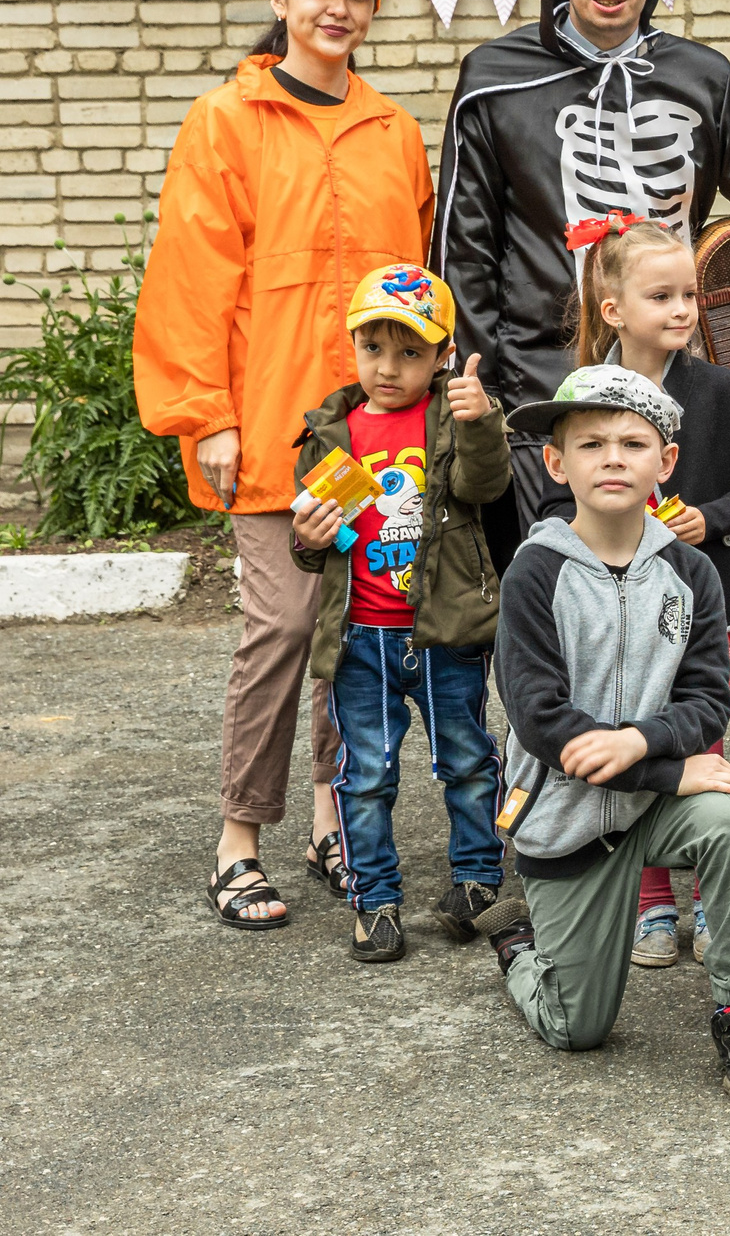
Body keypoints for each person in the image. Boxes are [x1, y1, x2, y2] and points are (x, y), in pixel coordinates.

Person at [136, 0, 428, 932]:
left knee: (350, 633)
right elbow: (189, 273)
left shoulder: (391, 128)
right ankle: (237, 838)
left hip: (364, 435)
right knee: (281, 625)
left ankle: (331, 820)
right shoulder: (226, 119)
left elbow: (413, 287)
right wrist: (202, 415)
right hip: (263, 423)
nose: (338, 7)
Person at [434, 0, 730, 563]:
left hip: (676, 383)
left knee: (678, 579)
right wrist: (480, 380)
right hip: (541, 388)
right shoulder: (494, 78)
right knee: (552, 587)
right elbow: (464, 245)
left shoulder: (702, 76)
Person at [471, 366, 730, 1103]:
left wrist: (641, 744)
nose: (613, 457)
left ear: (665, 462)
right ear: (557, 463)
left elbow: (708, 701)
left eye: (632, 442)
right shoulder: (534, 574)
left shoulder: (691, 572)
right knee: (575, 1028)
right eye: (591, 443)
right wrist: (666, 768)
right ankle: (520, 948)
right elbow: (542, 719)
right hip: (568, 821)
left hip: (653, 808)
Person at [550, 216, 730, 969]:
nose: (684, 308)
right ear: (613, 307)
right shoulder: (583, 394)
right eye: (663, 295)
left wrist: (708, 518)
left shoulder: (721, 391)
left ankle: (714, 898)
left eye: (689, 293)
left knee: (702, 741)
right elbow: (561, 499)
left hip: (707, 591)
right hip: (616, 605)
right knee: (630, 735)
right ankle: (650, 900)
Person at [286, 266, 509, 963]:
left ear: (443, 354)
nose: (389, 367)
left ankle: (477, 880)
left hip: (443, 632)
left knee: (468, 760)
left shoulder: (454, 412)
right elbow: (313, 537)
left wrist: (480, 423)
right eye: (374, 348)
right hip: (362, 639)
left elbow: (484, 485)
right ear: (353, 345)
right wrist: (309, 539)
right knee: (367, 773)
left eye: (410, 352)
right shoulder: (330, 429)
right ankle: (375, 899)